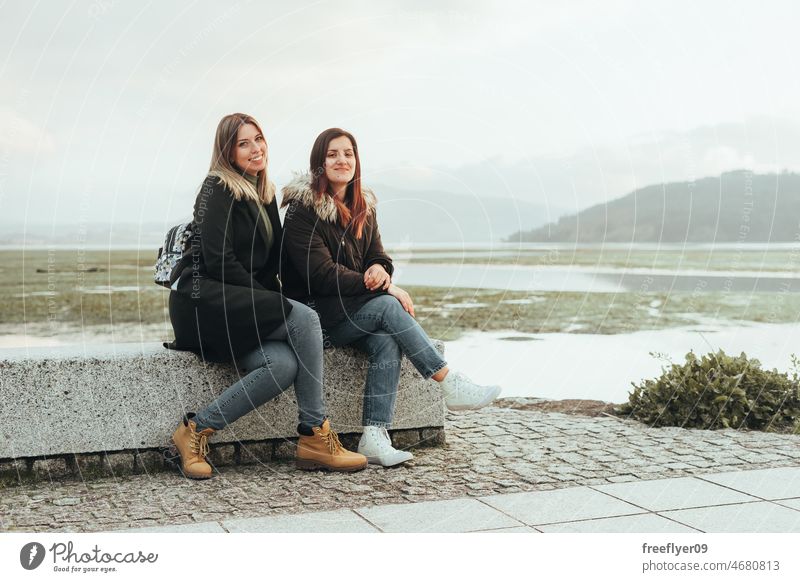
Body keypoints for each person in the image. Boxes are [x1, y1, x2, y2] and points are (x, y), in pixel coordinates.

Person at [280, 127, 502, 468]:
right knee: (387, 304)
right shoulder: (301, 211)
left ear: (357, 161)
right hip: (313, 318)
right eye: (333, 154)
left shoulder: (362, 207)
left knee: (387, 339)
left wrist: (381, 271)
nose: (342, 160)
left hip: (350, 313)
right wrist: (386, 287)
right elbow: (320, 274)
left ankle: (374, 435)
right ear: (319, 163)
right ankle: (448, 382)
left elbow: (379, 256)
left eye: (348, 153)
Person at [166, 114, 366, 479]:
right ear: (227, 150)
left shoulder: (265, 191)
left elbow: (275, 265)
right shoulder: (216, 187)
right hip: (206, 303)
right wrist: (273, 305)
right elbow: (218, 261)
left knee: (283, 366)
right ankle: (314, 434)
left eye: (258, 139)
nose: (255, 148)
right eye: (244, 143)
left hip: (243, 305)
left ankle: (193, 431)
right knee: (303, 318)